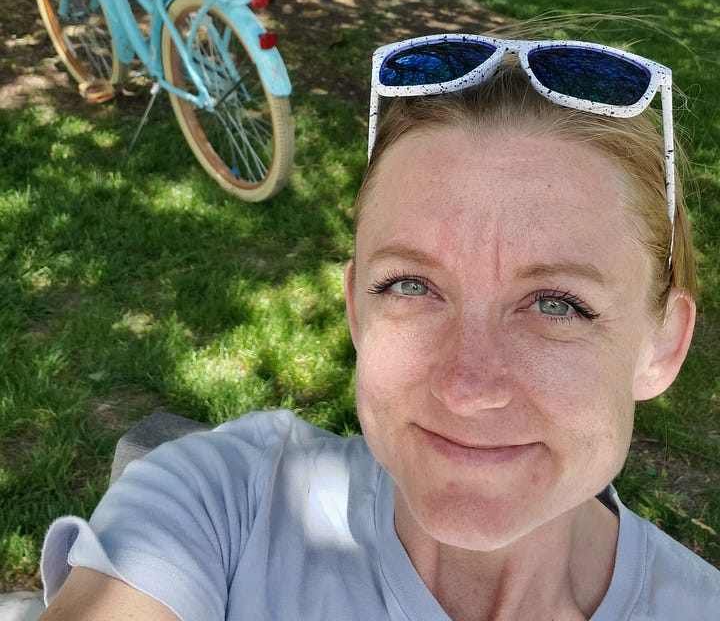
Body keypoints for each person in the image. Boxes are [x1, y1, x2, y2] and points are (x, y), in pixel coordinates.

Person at [38, 32, 720, 620]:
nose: (467, 386)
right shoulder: (223, 503)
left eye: (555, 303)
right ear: (358, 309)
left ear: (660, 345)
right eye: (412, 285)